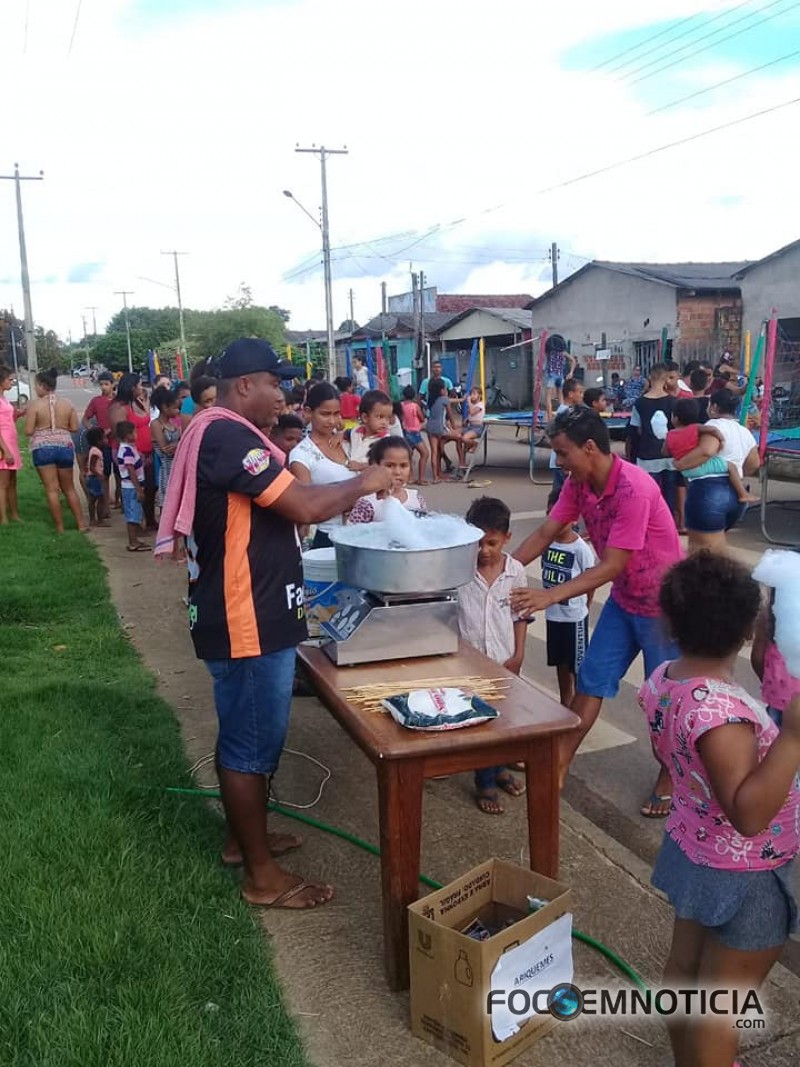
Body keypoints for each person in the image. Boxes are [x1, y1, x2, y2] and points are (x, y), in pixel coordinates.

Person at [154, 337, 392, 909]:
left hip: (250, 611)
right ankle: (262, 878)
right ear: (244, 386)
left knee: (247, 734)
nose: (282, 394)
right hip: (245, 618)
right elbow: (305, 508)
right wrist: (368, 480)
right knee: (251, 744)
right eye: (274, 383)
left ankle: (244, 841)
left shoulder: (224, 433)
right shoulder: (229, 436)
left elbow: (294, 494)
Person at [642, 552, 800, 1067]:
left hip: (696, 850)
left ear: (668, 620)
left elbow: (673, 757)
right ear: (748, 631)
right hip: (745, 876)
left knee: (685, 973)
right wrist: (793, 736)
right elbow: (749, 814)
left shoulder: (664, 679)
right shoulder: (721, 714)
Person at [510, 407, 682, 815]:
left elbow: (611, 564)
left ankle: (670, 774)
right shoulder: (579, 483)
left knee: (664, 702)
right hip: (625, 601)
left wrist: (549, 596)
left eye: (563, 452)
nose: (559, 462)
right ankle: (560, 762)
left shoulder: (634, 489)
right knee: (591, 681)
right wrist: (506, 575)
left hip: (664, 607)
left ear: (590, 448)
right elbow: (545, 531)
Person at [458, 497, 527, 815]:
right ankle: (484, 780)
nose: (484, 550)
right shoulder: (458, 569)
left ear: (506, 539)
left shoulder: (516, 573)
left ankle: (498, 768)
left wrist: (518, 654)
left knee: (504, 721)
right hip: (470, 664)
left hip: (504, 661)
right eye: (478, 542)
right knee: (481, 724)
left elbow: (521, 617)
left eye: (492, 543)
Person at [671, 389, 760, 553]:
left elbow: (707, 450)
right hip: (735, 494)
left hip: (708, 491)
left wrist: (681, 464)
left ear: (714, 407)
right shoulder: (744, 431)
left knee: (701, 555)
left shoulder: (712, 426)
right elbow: (754, 463)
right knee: (716, 551)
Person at [541, 490, 595, 706]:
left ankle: (580, 707)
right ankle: (566, 701)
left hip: (574, 618)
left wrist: (586, 607)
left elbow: (590, 580)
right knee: (560, 663)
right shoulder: (545, 543)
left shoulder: (581, 549)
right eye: (551, 514)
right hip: (553, 616)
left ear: (573, 519)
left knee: (577, 666)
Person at [289, 382, 357, 548]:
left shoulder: (349, 443)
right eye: (325, 414)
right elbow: (305, 506)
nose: (332, 421)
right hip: (326, 537)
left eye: (336, 414)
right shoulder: (302, 454)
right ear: (308, 412)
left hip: (358, 533)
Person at [24, 368, 87, 534]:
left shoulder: (34, 405)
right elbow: (74, 427)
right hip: (64, 447)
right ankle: (81, 524)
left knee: (51, 489)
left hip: (43, 448)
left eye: (36, 385)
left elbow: (29, 431)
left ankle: (60, 528)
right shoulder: (67, 404)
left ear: (42, 386)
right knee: (69, 488)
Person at [628, 363, 677, 518]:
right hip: (669, 455)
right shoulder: (673, 402)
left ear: (649, 378)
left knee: (649, 494)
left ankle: (651, 522)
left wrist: (631, 455)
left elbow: (634, 430)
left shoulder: (640, 403)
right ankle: (668, 523)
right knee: (669, 495)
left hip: (647, 455)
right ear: (666, 379)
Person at [110, 373, 157, 529]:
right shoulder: (118, 407)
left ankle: (149, 520)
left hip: (147, 454)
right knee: (135, 490)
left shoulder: (137, 401)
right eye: (138, 385)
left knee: (150, 487)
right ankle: (136, 526)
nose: (141, 387)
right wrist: (134, 453)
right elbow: (119, 434)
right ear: (131, 387)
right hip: (131, 456)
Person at [348, 436, 427, 523]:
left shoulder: (416, 499)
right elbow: (352, 534)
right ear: (375, 466)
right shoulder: (367, 504)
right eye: (389, 465)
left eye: (403, 465)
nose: (397, 472)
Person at [83, 370, 117, 517]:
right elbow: (86, 418)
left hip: (118, 442)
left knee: (120, 474)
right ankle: (105, 506)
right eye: (101, 384)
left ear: (113, 384)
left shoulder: (119, 400)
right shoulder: (96, 401)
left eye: (106, 384)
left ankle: (118, 501)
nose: (103, 387)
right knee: (104, 474)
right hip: (104, 445)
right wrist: (93, 432)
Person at [116, 420, 149, 552]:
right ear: (128, 435)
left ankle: (134, 539)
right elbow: (131, 470)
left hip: (131, 486)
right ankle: (133, 541)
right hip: (131, 487)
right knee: (132, 515)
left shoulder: (129, 448)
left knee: (135, 513)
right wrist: (138, 489)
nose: (137, 434)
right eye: (134, 432)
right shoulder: (127, 451)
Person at [150, 385, 182, 515]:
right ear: (164, 407)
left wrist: (177, 445)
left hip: (177, 468)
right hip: (167, 469)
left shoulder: (173, 424)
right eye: (174, 407)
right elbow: (165, 449)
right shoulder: (156, 424)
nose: (177, 411)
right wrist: (179, 444)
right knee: (167, 504)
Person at [549, 378, 584, 493]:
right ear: (571, 394)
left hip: (562, 462)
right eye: (580, 392)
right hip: (563, 463)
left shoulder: (566, 410)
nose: (581, 395)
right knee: (563, 494)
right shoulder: (567, 413)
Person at [0, 364, 25, 524]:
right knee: (3, 484)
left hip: (11, 443)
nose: (12, 382)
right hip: (4, 446)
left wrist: (20, 414)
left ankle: (14, 514)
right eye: (9, 379)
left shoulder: (4, 399)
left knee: (12, 482)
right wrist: (5, 450)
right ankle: (4, 518)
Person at [348, 389, 395, 467]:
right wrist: (339, 435)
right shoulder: (356, 431)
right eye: (380, 417)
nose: (385, 422)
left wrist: (361, 466)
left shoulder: (385, 441)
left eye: (388, 418)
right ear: (365, 417)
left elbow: (385, 464)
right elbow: (347, 433)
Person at [425, 378, 453, 483]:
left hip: (430, 427)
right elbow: (450, 416)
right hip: (440, 428)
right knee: (458, 437)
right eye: (445, 388)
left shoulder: (431, 400)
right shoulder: (444, 399)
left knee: (434, 452)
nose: (446, 390)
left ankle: (435, 476)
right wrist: (453, 428)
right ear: (441, 390)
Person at [400, 385, 429, 485]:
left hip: (404, 432)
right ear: (413, 395)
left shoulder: (401, 405)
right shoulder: (414, 406)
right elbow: (421, 418)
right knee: (425, 453)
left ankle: (410, 477)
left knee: (409, 455)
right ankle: (420, 479)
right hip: (414, 433)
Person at [543, 334, 577, 420]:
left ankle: (550, 418)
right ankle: (562, 415)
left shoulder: (549, 352)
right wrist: (571, 372)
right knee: (560, 396)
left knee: (548, 397)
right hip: (560, 375)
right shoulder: (563, 353)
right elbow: (573, 360)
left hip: (551, 375)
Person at [84, 427, 108, 527]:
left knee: (92, 499)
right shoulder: (96, 452)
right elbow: (92, 467)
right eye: (104, 438)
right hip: (95, 478)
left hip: (91, 477)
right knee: (100, 499)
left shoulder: (92, 450)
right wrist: (99, 475)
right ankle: (100, 520)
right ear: (98, 441)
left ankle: (93, 519)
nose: (106, 440)